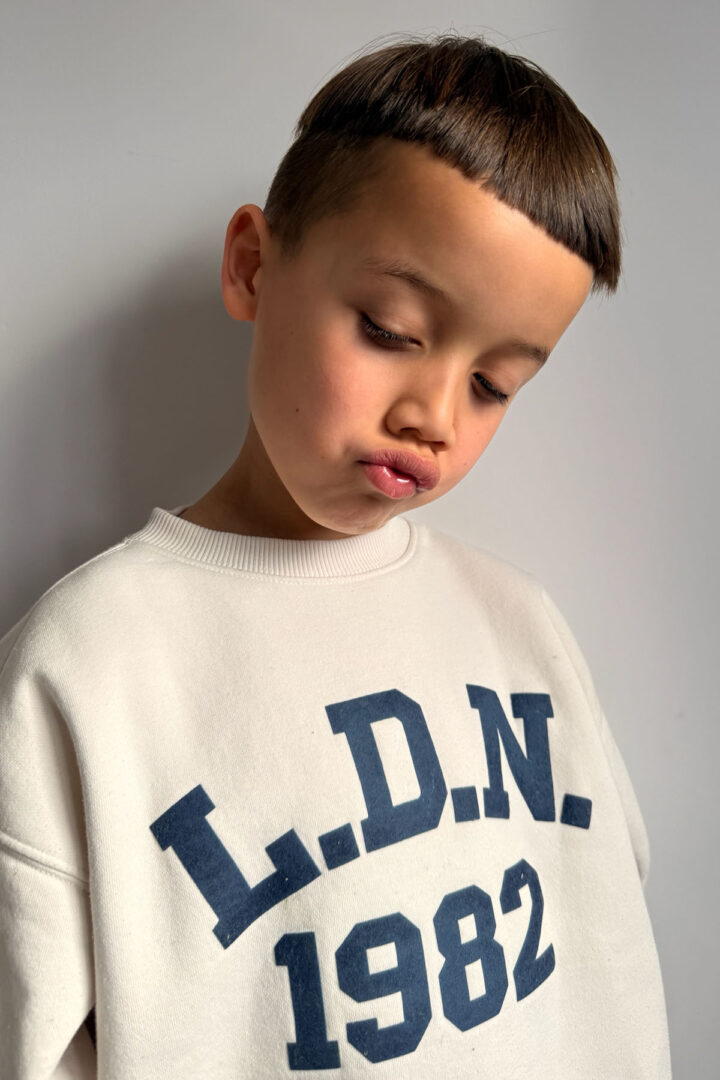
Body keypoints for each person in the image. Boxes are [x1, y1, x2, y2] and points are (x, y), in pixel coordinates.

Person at [0, 31, 670, 1078]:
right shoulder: (85, 666)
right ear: (252, 266)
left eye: (494, 385)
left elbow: (607, 943)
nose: (434, 415)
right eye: (391, 328)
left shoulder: (521, 625)